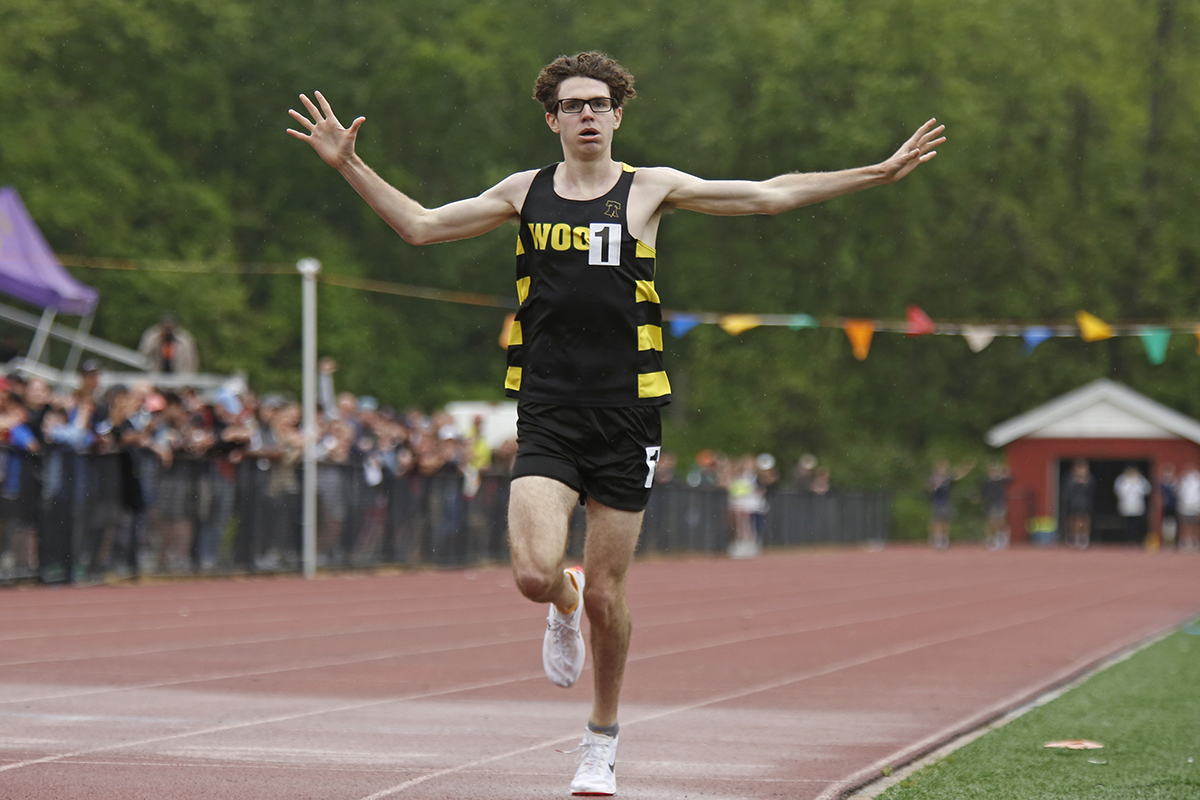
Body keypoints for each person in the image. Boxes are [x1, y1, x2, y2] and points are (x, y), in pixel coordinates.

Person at [288, 50, 945, 796]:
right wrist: (348, 165)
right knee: (538, 576)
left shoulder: (651, 189)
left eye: (600, 103)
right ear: (552, 118)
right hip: (547, 410)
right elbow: (421, 226)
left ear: (619, 113)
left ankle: (600, 737)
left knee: (610, 594)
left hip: (629, 416)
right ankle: (560, 604)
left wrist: (875, 172)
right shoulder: (523, 192)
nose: (588, 115)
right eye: (573, 105)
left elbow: (767, 195)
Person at [927, 459, 973, 549]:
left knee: (946, 521)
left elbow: (959, 475)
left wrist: (967, 467)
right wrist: (933, 487)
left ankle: (944, 539)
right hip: (937, 502)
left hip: (946, 501)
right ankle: (935, 539)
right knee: (936, 521)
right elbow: (929, 488)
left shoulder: (947, 478)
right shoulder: (933, 478)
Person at [1114, 464, 1152, 546]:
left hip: (1137, 507)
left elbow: (1148, 490)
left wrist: (1137, 483)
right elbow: (1119, 491)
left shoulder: (1141, 479)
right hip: (1126, 506)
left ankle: (1135, 540)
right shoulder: (1122, 479)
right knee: (1126, 524)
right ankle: (1127, 540)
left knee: (1136, 524)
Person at [1063, 459, 1095, 549]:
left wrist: (1084, 482)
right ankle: (1075, 537)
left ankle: (1084, 538)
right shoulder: (1070, 479)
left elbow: (1092, 490)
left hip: (1086, 503)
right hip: (1074, 503)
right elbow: (1068, 491)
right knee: (1074, 520)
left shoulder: (1089, 479)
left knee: (1085, 520)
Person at [979, 461, 1012, 550]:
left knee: (1000, 521)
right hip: (990, 503)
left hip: (1000, 502)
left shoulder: (1001, 481)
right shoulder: (987, 481)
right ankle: (992, 538)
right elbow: (982, 492)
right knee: (991, 522)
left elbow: (1011, 478)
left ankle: (1002, 537)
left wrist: (1003, 471)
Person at [1176, 463, 1200, 552]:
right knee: (1185, 524)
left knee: (1195, 524)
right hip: (1185, 505)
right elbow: (1180, 493)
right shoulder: (1183, 481)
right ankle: (1186, 541)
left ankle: (1195, 541)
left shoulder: (1198, 481)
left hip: (1196, 506)